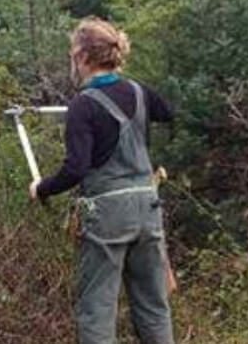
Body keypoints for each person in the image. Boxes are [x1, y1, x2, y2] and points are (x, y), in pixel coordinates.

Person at [29, 17, 176, 344]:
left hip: (108, 216)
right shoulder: (138, 91)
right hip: (148, 209)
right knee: (154, 307)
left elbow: (76, 169)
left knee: (97, 310)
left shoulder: (82, 105)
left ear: (83, 56)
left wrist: (41, 188)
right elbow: (167, 111)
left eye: (72, 53)